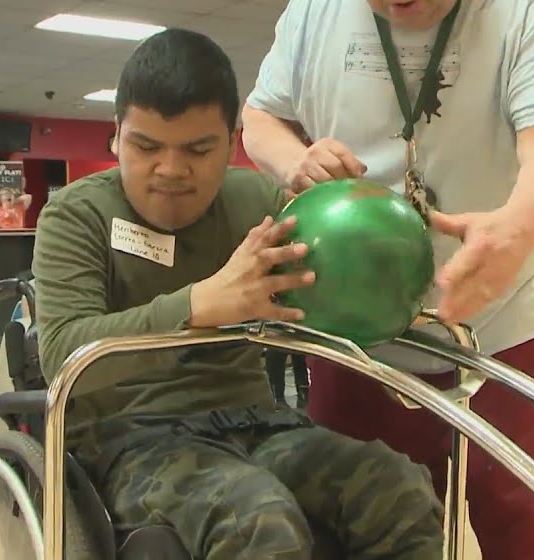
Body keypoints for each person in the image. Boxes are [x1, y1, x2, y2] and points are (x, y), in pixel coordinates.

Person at [240, 0, 534, 555]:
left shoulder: (529, 5)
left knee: (519, 516)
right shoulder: (314, 7)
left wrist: (516, 228)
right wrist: (295, 160)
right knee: (368, 521)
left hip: (499, 315)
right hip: (354, 324)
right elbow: (260, 117)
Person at [31, 28, 444, 559]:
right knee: (254, 518)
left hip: (256, 424)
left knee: (396, 487)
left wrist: (345, 208)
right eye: (146, 146)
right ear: (116, 137)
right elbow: (62, 354)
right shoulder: (76, 215)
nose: (170, 170)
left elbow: (328, 282)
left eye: (198, 149)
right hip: (131, 440)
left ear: (232, 143)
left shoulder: (258, 201)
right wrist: (200, 305)